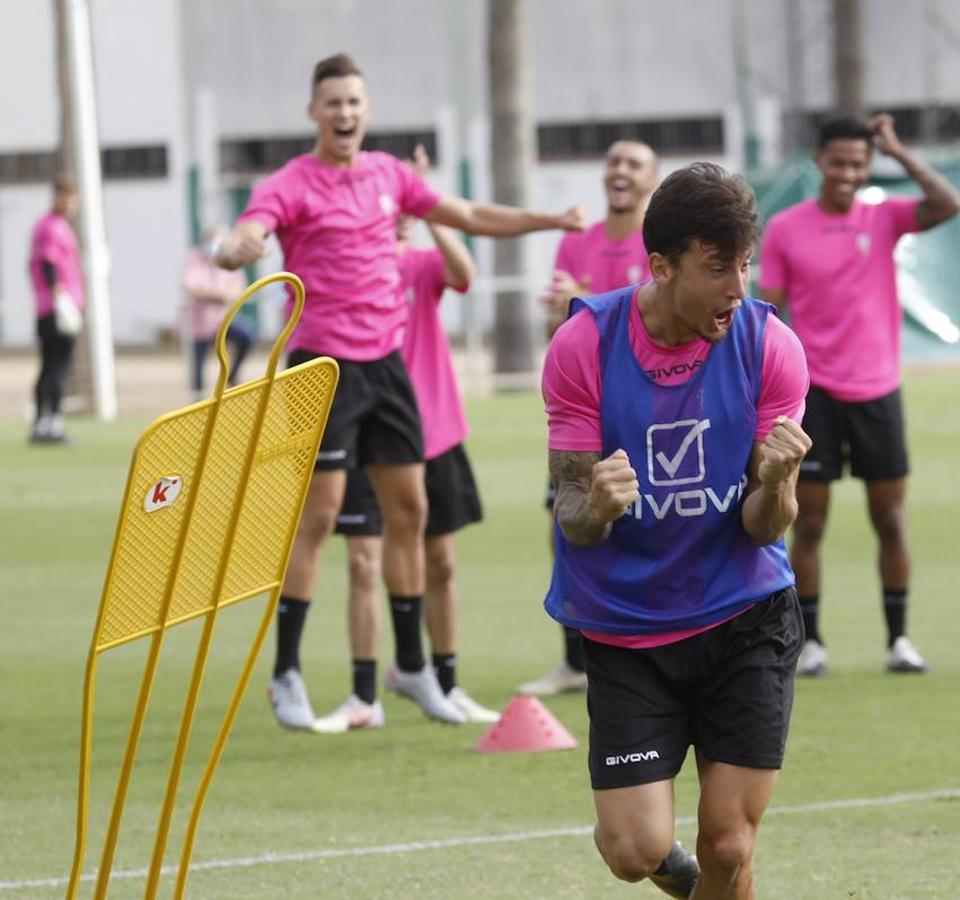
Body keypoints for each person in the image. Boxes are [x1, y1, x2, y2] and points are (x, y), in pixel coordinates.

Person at [216, 53, 584, 731]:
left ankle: (413, 668)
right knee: (320, 518)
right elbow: (252, 228)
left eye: (354, 102)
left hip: (388, 368)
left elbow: (469, 213)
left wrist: (548, 221)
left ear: (367, 110)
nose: (345, 114)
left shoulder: (389, 175)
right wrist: (235, 248)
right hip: (322, 367)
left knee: (410, 512)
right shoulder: (292, 182)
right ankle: (286, 674)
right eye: (333, 104)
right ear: (314, 113)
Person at [543, 162, 810, 899]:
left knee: (728, 842)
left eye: (745, 266)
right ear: (660, 267)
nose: (738, 288)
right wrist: (594, 506)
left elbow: (763, 528)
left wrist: (779, 483)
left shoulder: (769, 346)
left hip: (743, 616)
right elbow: (570, 512)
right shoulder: (584, 344)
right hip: (629, 629)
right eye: (717, 268)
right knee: (634, 850)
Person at [757, 114, 960, 677]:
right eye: (839, 162)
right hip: (815, 394)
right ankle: (812, 641)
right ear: (818, 162)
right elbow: (769, 314)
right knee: (810, 523)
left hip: (878, 392)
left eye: (859, 163)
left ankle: (898, 640)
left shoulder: (886, 215)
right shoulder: (785, 228)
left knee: (891, 519)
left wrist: (899, 152)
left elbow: (949, 204)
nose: (848, 173)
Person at [316, 146, 501, 731]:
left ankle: (444, 681)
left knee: (441, 562)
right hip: (369, 434)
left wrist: (430, 215)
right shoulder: (347, 271)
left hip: (435, 430)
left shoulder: (420, 263)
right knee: (364, 564)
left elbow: (465, 274)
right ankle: (364, 694)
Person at [521, 138, 657, 698]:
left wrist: (589, 299)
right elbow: (559, 329)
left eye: (633, 165)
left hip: (643, 409)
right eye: (613, 164)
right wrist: (562, 313)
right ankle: (576, 659)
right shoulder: (577, 242)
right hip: (583, 412)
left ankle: (650, 642)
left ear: (653, 180)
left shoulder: (658, 246)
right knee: (567, 521)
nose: (619, 172)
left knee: (648, 523)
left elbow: (656, 322)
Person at [27, 176, 83, 445]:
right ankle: (51, 423)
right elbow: (48, 264)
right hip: (57, 307)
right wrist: (60, 297)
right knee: (57, 366)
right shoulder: (53, 227)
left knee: (49, 365)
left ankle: (42, 422)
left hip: (48, 306)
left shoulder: (53, 225)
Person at [184, 225, 253, 394]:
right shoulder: (195, 259)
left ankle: (232, 379)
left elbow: (238, 287)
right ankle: (197, 396)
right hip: (201, 322)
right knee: (198, 362)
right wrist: (218, 294)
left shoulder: (229, 258)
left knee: (246, 336)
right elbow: (191, 286)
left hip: (225, 319)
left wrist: (222, 294)